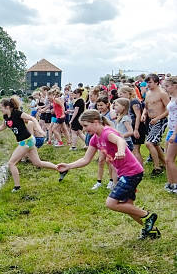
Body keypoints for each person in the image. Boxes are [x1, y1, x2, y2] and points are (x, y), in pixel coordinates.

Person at [57, 110, 160, 239]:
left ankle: (148, 216)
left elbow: (120, 141)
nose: (84, 129)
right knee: (127, 207)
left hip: (132, 172)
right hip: (125, 173)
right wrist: (68, 166)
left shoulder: (107, 133)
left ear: (95, 122)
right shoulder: (95, 139)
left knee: (111, 203)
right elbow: (85, 159)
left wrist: (121, 151)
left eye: (85, 125)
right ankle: (152, 231)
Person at [0, 96, 67, 192]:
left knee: (11, 163)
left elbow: (33, 119)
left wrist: (40, 130)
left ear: (7, 107)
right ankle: (61, 169)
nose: (0, 110)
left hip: (27, 141)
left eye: (1, 107)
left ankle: (17, 187)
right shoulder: (6, 117)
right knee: (37, 163)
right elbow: (3, 126)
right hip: (28, 141)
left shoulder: (17, 113)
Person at [142, 74, 169, 175]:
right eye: (147, 82)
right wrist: (144, 114)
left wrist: (158, 118)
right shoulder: (148, 93)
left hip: (160, 121)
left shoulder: (162, 93)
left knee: (149, 143)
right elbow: (146, 106)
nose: (148, 84)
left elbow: (169, 109)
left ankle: (157, 168)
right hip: (150, 120)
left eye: (150, 82)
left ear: (157, 82)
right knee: (155, 144)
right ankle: (165, 164)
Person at [118, 86, 145, 163]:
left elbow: (138, 115)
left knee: (136, 150)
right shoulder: (128, 102)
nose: (120, 96)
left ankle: (140, 169)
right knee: (133, 150)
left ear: (128, 93)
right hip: (131, 127)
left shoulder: (134, 101)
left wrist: (136, 129)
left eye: (121, 94)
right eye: (119, 94)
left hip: (137, 127)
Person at [163, 76, 177, 192]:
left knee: (170, 159)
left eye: (167, 86)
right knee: (167, 159)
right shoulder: (172, 98)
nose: (165, 88)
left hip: (175, 131)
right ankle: (170, 182)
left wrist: (174, 133)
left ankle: (176, 184)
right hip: (171, 129)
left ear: (175, 85)